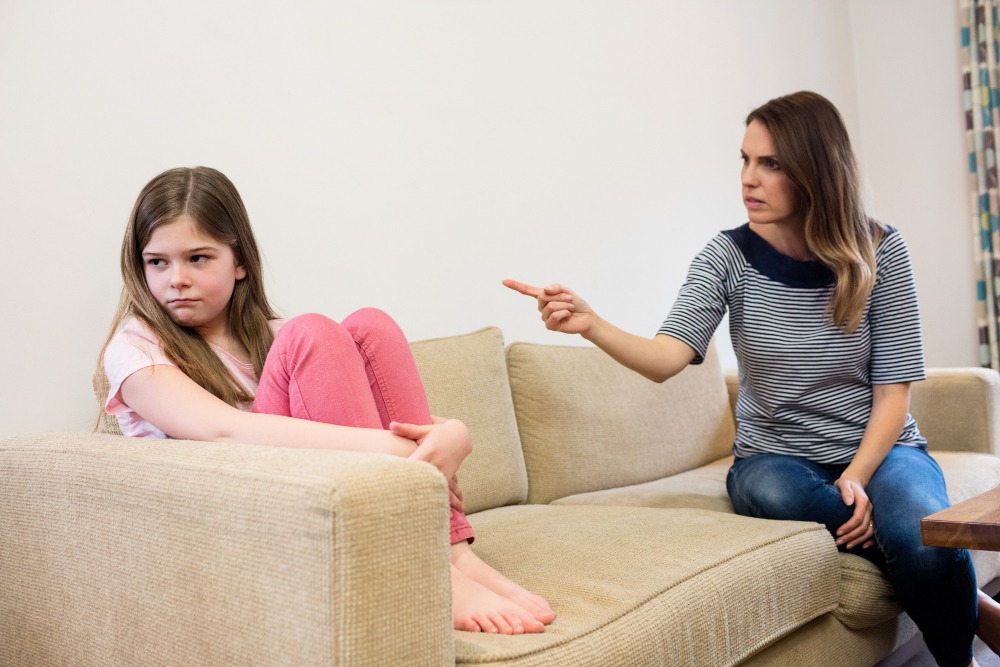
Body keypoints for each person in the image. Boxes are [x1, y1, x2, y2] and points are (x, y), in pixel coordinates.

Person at [505, 90, 1000, 666]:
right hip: (775, 459)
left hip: (881, 449)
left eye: (771, 164)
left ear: (816, 171)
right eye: (744, 160)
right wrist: (592, 324)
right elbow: (668, 359)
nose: (749, 179)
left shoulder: (880, 249)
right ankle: (977, 612)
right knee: (785, 495)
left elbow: (894, 393)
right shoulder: (728, 256)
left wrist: (859, 480)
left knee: (925, 533)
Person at [99, 166, 555, 635]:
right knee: (311, 332)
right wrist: (411, 460)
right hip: (232, 515)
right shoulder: (136, 351)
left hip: (303, 493)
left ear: (240, 263)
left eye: (198, 258)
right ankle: (425, 558)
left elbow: (381, 418)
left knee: (369, 326)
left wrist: (455, 433)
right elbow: (224, 430)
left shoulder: (269, 337)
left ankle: (453, 551)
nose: (177, 279)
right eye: (158, 262)